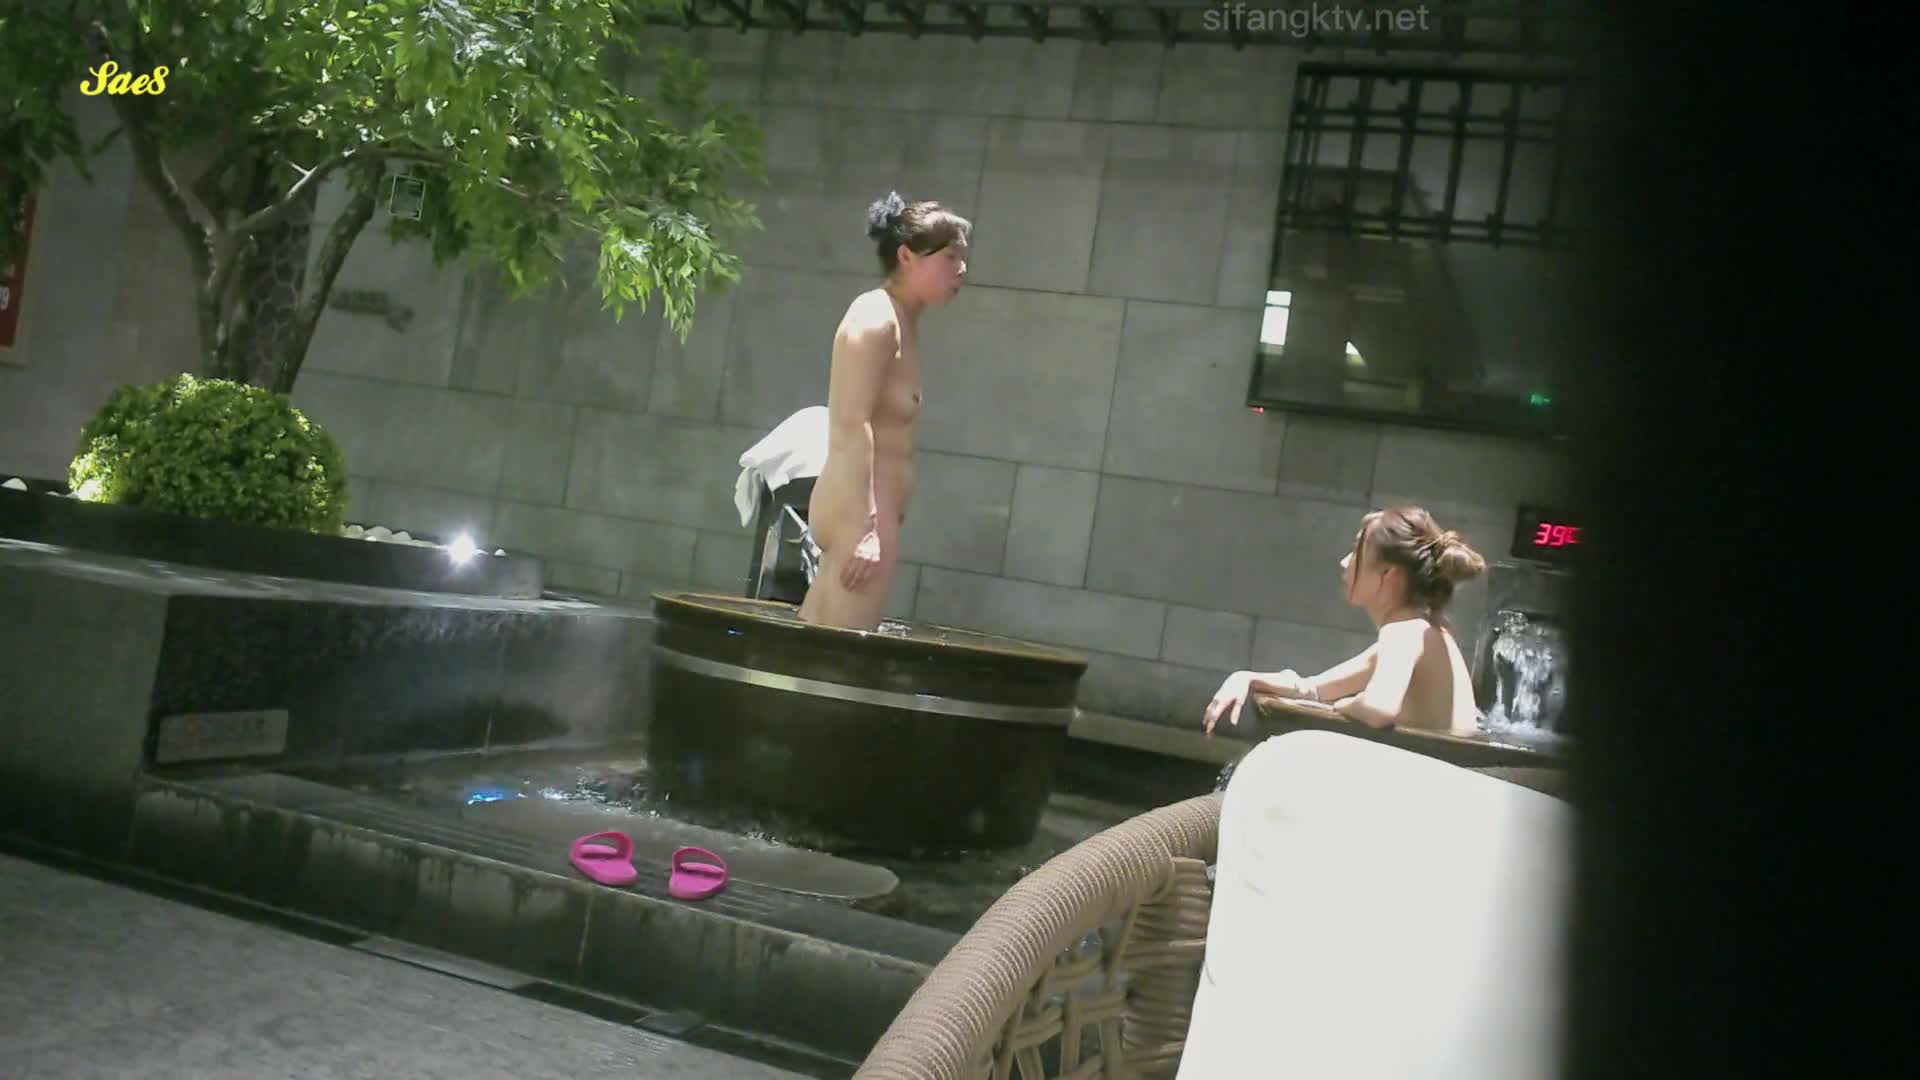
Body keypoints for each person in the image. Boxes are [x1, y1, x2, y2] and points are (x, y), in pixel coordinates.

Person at [796, 191, 971, 630]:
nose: (962, 270)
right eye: (950, 257)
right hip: (859, 512)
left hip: (870, 509)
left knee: (816, 645)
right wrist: (869, 526)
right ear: (907, 256)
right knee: (841, 657)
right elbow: (850, 424)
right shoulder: (875, 319)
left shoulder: (901, 322)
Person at [1203, 505, 1489, 736]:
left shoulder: (1404, 633)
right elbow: (1311, 689)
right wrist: (1245, 677)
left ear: (1388, 574)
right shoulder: (1421, 633)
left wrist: (1342, 706)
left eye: (1357, 550)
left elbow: (1379, 709)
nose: (1344, 561)